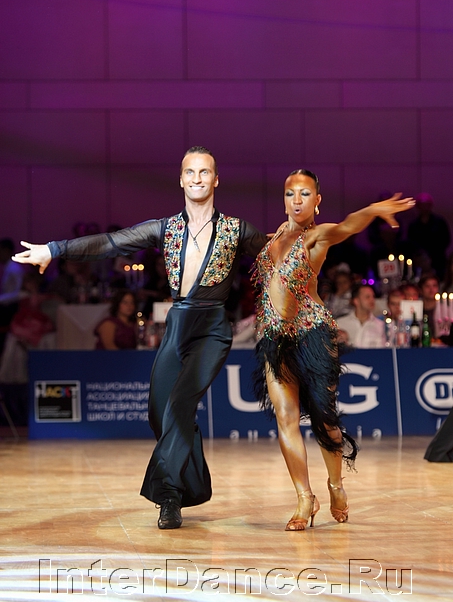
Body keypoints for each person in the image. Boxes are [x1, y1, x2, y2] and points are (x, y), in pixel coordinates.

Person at [12, 146, 267, 530]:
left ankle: (168, 496)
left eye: (204, 172)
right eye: (190, 172)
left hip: (212, 328)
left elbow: (277, 255)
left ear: (216, 179)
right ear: (180, 180)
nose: (197, 178)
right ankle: (191, 483)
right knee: (159, 410)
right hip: (178, 323)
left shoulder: (237, 229)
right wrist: (54, 249)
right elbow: (111, 242)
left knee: (180, 404)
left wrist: (304, 235)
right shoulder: (166, 228)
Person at [252, 169, 414, 531]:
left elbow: (347, 226)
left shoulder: (316, 237)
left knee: (324, 419)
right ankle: (304, 498)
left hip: (313, 336)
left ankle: (336, 485)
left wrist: (372, 210)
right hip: (275, 339)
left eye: (305, 194)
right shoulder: (274, 237)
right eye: (290, 193)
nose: (297, 200)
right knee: (285, 416)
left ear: (317, 200)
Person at [336, 284, 386, 348]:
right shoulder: (340, 324)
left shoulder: (381, 326)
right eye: (367, 297)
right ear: (356, 301)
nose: (372, 300)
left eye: (373, 296)